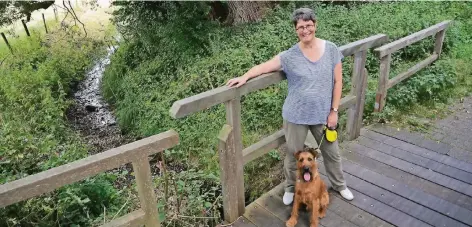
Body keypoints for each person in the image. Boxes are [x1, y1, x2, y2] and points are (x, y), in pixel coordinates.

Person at [226, 7, 354, 204]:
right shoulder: (289, 56)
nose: (305, 30)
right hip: (296, 115)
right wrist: (244, 77)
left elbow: (338, 81)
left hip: (323, 114)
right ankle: (291, 188)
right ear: (296, 30)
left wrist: (334, 111)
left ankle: (340, 185)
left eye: (309, 25)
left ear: (315, 25)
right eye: (301, 27)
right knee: (294, 155)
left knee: (332, 152)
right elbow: (263, 67)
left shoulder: (331, 50)